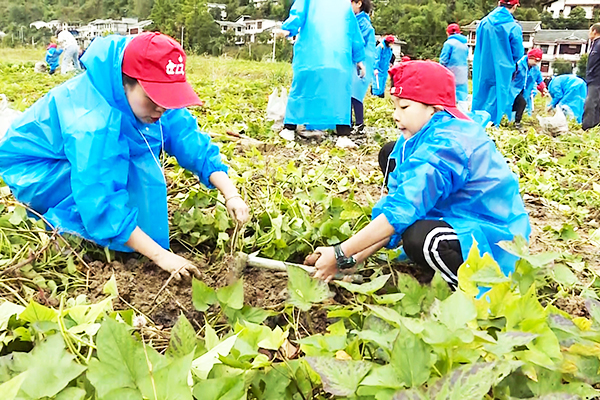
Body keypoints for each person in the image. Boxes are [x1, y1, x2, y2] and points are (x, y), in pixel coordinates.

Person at [0, 32, 250, 279]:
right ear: (125, 83)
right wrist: (161, 256)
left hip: (84, 155)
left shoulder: (154, 102)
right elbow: (98, 196)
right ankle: (64, 228)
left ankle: (126, 230)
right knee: (109, 183)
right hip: (35, 169)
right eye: (152, 98)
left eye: (167, 98)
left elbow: (188, 138)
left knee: (131, 166)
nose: (160, 108)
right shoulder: (93, 123)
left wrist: (231, 194)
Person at [305, 61, 530, 288]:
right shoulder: (421, 135)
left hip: (493, 233)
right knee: (389, 154)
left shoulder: (448, 145)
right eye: (394, 106)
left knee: (421, 239)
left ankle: (469, 287)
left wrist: (339, 252)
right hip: (455, 212)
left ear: (434, 108)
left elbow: (404, 208)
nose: (395, 115)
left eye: (404, 107)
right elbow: (400, 205)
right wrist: (352, 258)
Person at [278, 0, 366, 141]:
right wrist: (359, 58)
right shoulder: (344, 4)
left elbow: (298, 13)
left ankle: (290, 128)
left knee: (302, 89)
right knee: (339, 94)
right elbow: (353, 31)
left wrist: (289, 28)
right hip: (338, 57)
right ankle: (343, 134)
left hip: (311, 55)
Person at [472, 0, 524, 126]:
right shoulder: (513, 27)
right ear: (515, 6)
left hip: (482, 65)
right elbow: (518, 52)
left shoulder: (483, 23)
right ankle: (491, 125)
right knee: (497, 97)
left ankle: (475, 123)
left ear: (498, 3)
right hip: (503, 69)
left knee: (480, 94)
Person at [344, 0, 376, 136]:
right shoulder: (357, 20)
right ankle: (349, 123)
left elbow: (356, 41)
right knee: (349, 94)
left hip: (361, 62)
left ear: (359, 4)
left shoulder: (362, 23)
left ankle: (358, 124)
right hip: (356, 61)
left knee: (354, 94)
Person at [508, 48, 544, 129]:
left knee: (520, 104)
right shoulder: (519, 64)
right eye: (535, 60)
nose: (536, 63)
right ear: (530, 57)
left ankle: (515, 122)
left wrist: (543, 89)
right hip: (513, 89)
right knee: (515, 104)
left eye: (538, 61)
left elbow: (539, 79)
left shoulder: (535, 69)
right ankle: (508, 120)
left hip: (524, 90)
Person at [439, 23, 469, 110]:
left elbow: (444, 60)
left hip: (450, 71)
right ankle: (464, 113)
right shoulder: (464, 45)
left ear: (448, 33)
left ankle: (449, 111)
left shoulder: (448, 43)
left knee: (449, 93)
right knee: (462, 94)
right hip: (463, 71)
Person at [583, 23, 600, 130]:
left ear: (594, 31)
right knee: (596, 104)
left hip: (596, 79)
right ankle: (595, 127)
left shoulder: (599, 45)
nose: (589, 34)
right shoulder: (594, 44)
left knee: (590, 103)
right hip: (593, 79)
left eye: (590, 31)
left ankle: (588, 127)